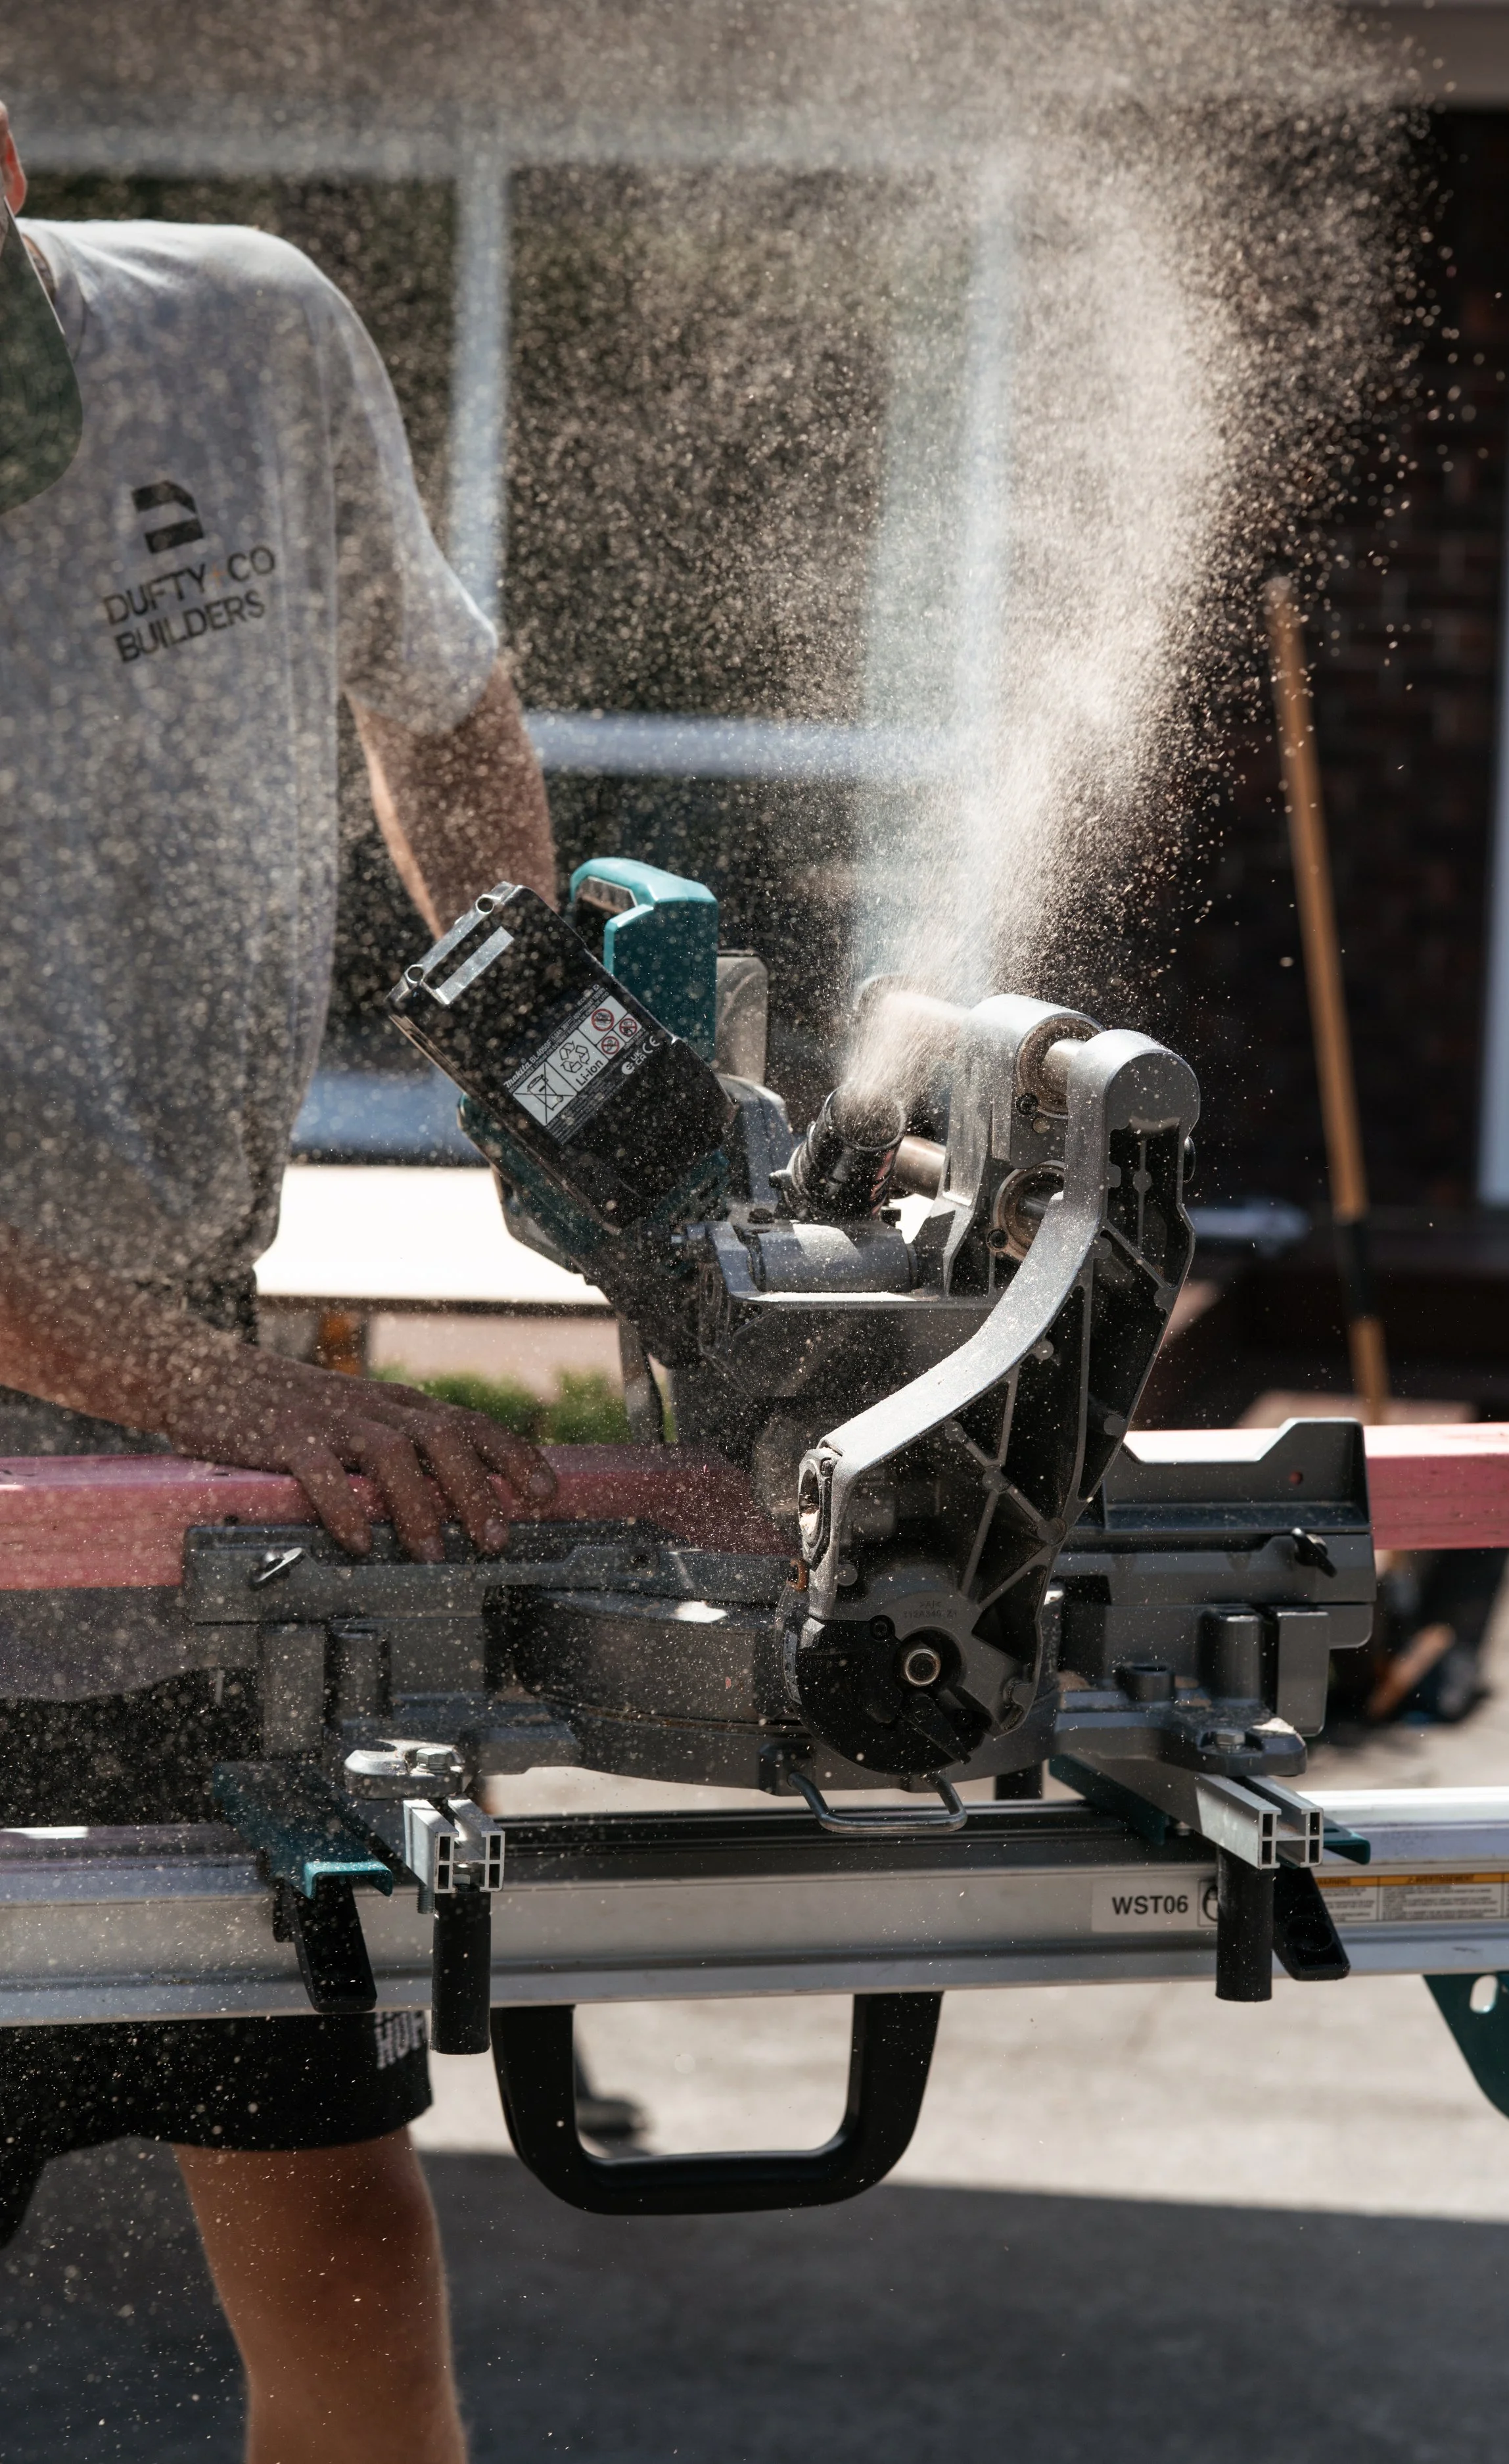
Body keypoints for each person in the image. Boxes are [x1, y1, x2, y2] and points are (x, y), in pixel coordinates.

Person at [0, 100, 559, 2464]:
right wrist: (243, 1406)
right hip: (142, 1438)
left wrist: (553, 1053)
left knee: (336, 2231)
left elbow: (429, 693)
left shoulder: (242, 336)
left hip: (186, 1510)